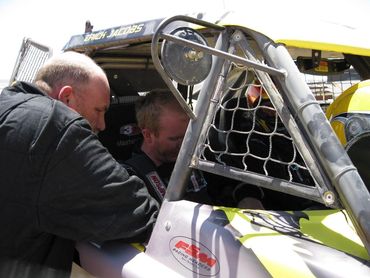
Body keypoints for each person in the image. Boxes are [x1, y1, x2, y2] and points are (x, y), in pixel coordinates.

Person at [0, 51, 158, 277]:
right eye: (99, 110)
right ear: (66, 99)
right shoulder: (56, 129)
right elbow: (136, 212)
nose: (102, 124)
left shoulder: (8, 104)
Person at [124, 90, 211, 204]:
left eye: (187, 136)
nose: (184, 145)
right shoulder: (134, 179)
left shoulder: (195, 154)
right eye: (175, 139)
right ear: (148, 135)